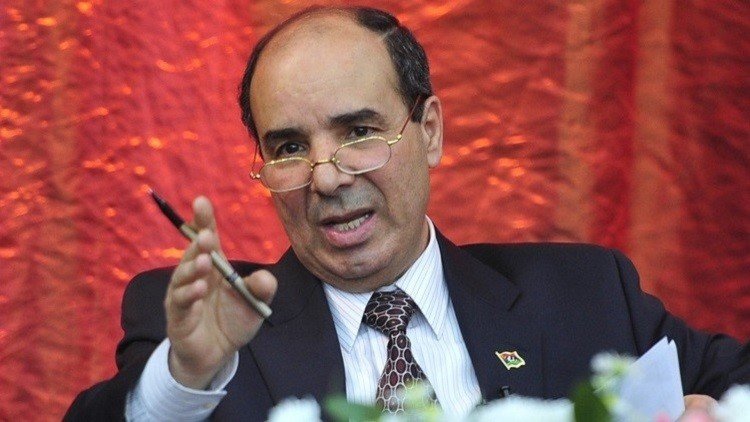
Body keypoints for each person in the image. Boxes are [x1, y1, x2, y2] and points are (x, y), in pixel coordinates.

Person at [66, 6, 748, 421]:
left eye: (359, 131)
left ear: (430, 132)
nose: (326, 176)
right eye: (290, 147)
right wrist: (185, 379)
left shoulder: (584, 295)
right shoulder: (205, 330)